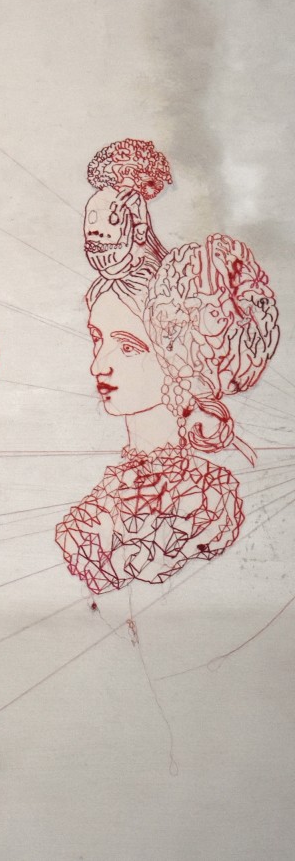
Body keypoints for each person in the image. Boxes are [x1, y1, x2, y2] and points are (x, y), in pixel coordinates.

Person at [56, 140, 280, 593]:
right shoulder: (104, 500)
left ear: (178, 352)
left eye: (128, 347)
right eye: (98, 339)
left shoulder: (205, 503)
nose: (99, 365)